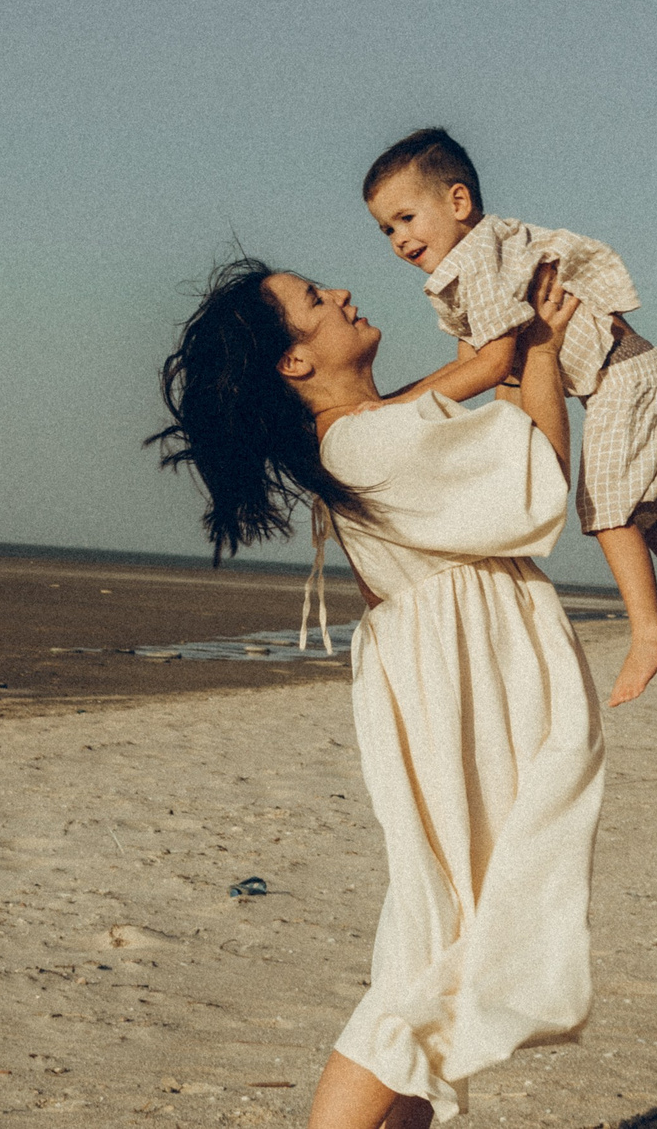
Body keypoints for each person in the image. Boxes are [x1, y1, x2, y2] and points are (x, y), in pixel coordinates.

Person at [149, 256, 604, 1128]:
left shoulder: (370, 428)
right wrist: (539, 351)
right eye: (316, 301)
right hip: (460, 686)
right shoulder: (363, 440)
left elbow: (469, 431)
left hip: (458, 678)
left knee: (447, 933)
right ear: (294, 361)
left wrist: (503, 351)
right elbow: (537, 471)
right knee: (436, 948)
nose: (344, 294)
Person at [361, 127, 657, 705]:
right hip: (622, 377)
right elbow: (481, 362)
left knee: (606, 506)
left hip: (625, 373)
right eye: (387, 229)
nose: (398, 239)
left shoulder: (480, 259)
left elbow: (492, 365)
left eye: (407, 218)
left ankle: (651, 631)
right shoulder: (465, 276)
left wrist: (388, 407)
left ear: (458, 203)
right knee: (643, 509)